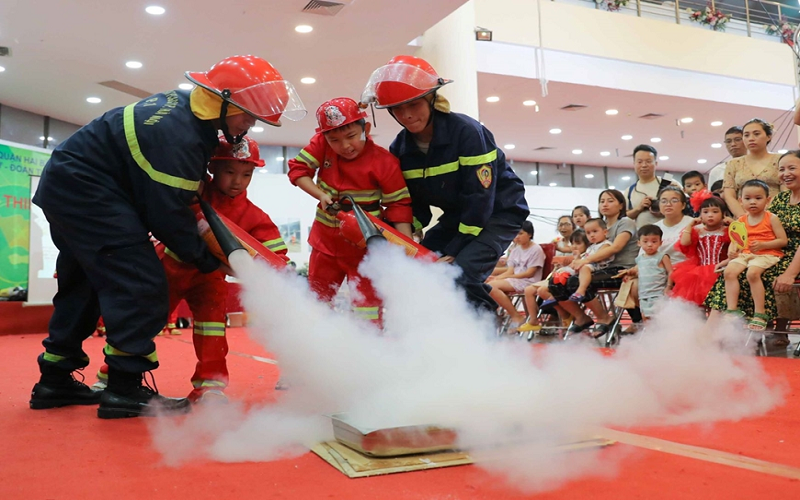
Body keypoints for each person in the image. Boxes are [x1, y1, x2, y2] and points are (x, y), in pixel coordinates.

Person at [28, 55, 305, 418]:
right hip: (88, 193)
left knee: (83, 285)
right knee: (141, 284)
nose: (249, 126)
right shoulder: (179, 137)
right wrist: (208, 259)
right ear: (222, 99)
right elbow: (169, 217)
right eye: (247, 116)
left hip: (68, 188)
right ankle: (124, 390)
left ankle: (54, 380)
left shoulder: (185, 111)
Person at [361, 55, 529, 312]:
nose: (406, 115)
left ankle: (483, 344)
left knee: (459, 275)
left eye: (414, 104)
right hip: (458, 217)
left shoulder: (467, 132)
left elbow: (479, 198)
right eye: (396, 108)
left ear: (431, 98)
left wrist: (454, 249)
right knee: (420, 270)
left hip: (498, 213)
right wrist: (401, 238)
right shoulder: (400, 148)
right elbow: (414, 205)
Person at [288, 97, 412, 325]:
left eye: (351, 136)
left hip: (366, 248)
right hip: (325, 244)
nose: (344, 146)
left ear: (366, 128)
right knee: (316, 303)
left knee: (368, 309)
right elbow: (298, 171)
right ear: (324, 137)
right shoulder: (321, 144)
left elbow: (399, 207)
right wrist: (320, 195)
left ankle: (369, 355)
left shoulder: (385, 162)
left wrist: (405, 252)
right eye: (334, 139)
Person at [707, 151, 800, 345]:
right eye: (782, 169)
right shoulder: (780, 199)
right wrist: (735, 255)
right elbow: (758, 229)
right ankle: (718, 330)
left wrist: (790, 273)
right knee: (730, 272)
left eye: (792, 168)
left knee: (757, 274)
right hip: (767, 250)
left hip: (789, 254)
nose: (786, 173)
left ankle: (759, 325)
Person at [551, 190, 640, 337]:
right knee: (555, 283)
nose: (605, 204)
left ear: (621, 205)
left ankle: (605, 318)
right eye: (602, 201)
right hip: (599, 268)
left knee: (574, 282)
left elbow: (615, 248)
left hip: (622, 269)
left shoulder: (625, 222)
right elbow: (587, 250)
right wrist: (576, 259)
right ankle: (581, 317)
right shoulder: (598, 225)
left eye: (610, 201)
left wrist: (585, 261)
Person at [719, 179, 787, 331]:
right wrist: (732, 249)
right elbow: (736, 239)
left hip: (767, 254)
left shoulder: (772, 218)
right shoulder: (741, 220)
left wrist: (764, 245)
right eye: (748, 198)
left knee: (752, 273)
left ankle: (759, 313)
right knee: (729, 272)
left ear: (767, 200)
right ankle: (732, 310)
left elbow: (783, 240)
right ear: (740, 200)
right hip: (746, 254)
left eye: (758, 198)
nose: (753, 202)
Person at [517, 230, 588, 333]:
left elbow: (579, 269)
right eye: (572, 244)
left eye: (578, 243)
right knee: (528, 290)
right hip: (556, 277)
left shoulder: (586, 256)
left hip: (565, 281)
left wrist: (575, 259)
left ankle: (565, 315)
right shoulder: (569, 256)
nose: (574, 246)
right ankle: (533, 320)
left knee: (543, 291)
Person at [671, 192, 730, 306]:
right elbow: (684, 243)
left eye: (715, 211)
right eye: (705, 212)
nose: (710, 215)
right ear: (700, 215)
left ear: (724, 214)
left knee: (720, 302)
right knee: (697, 302)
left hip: (722, 270)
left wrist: (733, 224)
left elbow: (740, 242)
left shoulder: (727, 230)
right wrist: (690, 225)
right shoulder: (697, 230)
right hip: (699, 272)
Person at [487, 221, 544, 329]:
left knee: (492, 286)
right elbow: (510, 271)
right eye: (515, 234)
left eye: (520, 233)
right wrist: (499, 277)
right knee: (488, 283)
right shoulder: (515, 250)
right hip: (515, 279)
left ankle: (515, 315)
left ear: (530, 234)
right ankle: (496, 314)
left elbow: (529, 273)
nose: (516, 237)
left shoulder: (536, 249)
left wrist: (504, 277)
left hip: (528, 281)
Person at [544, 218, 614, 305]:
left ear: (605, 232)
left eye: (595, 231)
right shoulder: (591, 247)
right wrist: (577, 258)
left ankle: (581, 290)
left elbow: (597, 257)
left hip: (598, 267)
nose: (592, 235)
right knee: (562, 271)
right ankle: (555, 295)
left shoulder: (606, 244)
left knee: (584, 268)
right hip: (588, 266)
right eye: (588, 233)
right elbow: (582, 260)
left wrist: (582, 262)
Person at [722, 119, 782, 219]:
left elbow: (785, 192)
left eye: (756, 134)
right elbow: (729, 195)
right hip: (743, 220)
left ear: (769, 136)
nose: (751, 138)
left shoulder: (781, 159)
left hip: (775, 217)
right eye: (746, 135)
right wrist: (743, 217)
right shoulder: (733, 163)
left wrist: (767, 216)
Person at [624, 144, 681, 229]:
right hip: (643, 238)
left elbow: (686, 206)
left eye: (648, 161)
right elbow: (626, 215)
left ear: (656, 163)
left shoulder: (669, 182)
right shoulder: (630, 190)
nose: (644, 165)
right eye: (639, 162)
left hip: (671, 234)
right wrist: (639, 208)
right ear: (634, 164)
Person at [633, 225, 672, 320]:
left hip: (658, 294)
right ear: (639, 243)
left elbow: (671, 271)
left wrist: (668, 286)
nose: (650, 245)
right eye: (645, 242)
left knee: (659, 317)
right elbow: (639, 271)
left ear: (660, 243)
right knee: (645, 316)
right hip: (643, 294)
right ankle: (649, 334)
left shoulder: (662, 257)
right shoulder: (639, 259)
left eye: (654, 241)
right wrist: (628, 273)